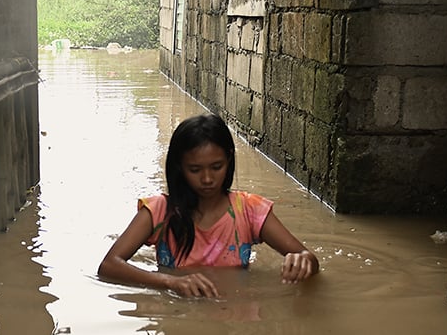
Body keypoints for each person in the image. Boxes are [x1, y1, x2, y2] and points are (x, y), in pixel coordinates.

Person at [99, 113, 319, 298]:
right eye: (195, 170)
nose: (207, 179)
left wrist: (302, 261)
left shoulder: (250, 210)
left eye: (216, 167)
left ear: (229, 160)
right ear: (179, 167)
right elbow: (109, 266)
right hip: (179, 319)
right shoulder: (158, 211)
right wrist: (169, 282)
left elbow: (308, 258)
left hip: (233, 313)